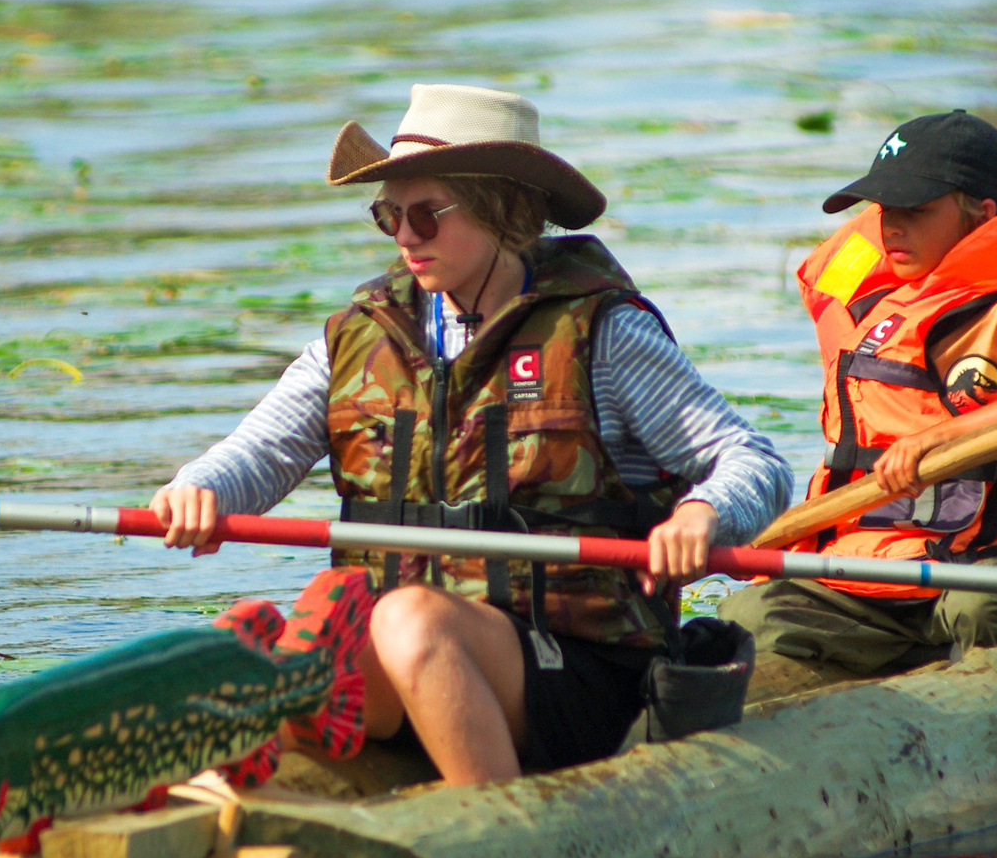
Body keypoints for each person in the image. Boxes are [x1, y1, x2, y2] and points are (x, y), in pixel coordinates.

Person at [152, 83, 791, 786]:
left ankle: (500, 831)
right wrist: (198, 488)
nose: (403, 236)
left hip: (582, 668)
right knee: (247, 646)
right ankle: (290, 707)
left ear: (505, 209)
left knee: (407, 621)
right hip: (413, 649)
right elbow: (261, 451)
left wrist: (705, 511)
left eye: (425, 214)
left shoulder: (604, 334)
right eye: (388, 214)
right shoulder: (360, 334)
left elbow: (754, 460)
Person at [724, 110, 997, 677]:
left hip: (978, 570)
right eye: (886, 210)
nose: (892, 229)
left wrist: (942, 436)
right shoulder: (866, 304)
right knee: (750, 613)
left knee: (987, 604)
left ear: (982, 217)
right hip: (868, 573)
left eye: (918, 210)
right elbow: (827, 271)